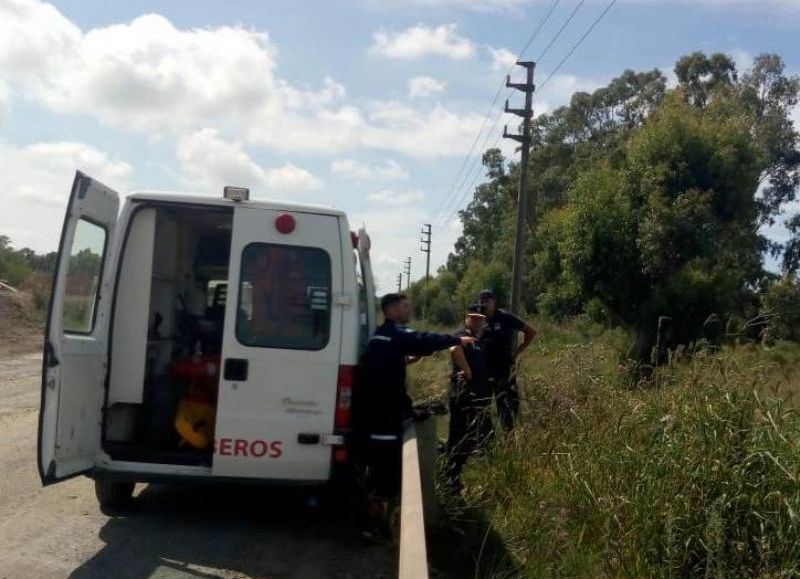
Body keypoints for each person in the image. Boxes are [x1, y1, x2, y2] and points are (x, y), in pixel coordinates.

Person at [353, 292, 476, 540]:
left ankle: (378, 525)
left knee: (380, 472)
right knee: (383, 474)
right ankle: (373, 528)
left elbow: (389, 369)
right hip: (382, 420)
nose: (409, 310)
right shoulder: (394, 333)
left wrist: (409, 410)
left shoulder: (382, 336)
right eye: (405, 306)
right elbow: (422, 339)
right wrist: (457, 340)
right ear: (391, 310)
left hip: (380, 415)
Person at [445, 304, 493, 491]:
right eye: (473, 317)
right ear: (467, 318)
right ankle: (451, 479)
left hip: (478, 398)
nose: (476, 321)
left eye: (480, 318)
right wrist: (467, 370)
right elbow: (453, 349)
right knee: (460, 437)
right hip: (463, 396)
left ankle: (458, 475)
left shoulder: (480, 341)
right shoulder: (462, 335)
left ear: (484, 321)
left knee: (480, 435)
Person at [477, 289, 537, 431]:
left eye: (487, 301)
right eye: (482, 301)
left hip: (504, 369)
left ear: (494, 302)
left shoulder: (505, 317)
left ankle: (508, 442)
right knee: (482, 408)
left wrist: (517, 353)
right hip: (485, 370)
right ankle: (487, 442)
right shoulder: (479, 320)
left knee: (507, 407)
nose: (484, 304)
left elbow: (531, 332)